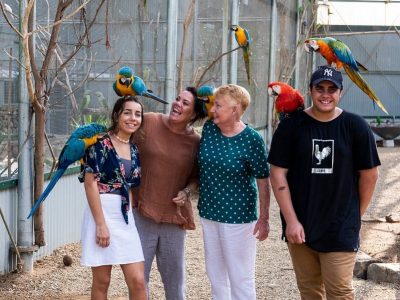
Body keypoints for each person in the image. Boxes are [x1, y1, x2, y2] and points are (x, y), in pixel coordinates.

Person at [268, 65, 381, 300]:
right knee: (310, 291)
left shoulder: (355, 126)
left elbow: (370, 175)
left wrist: (354, 216)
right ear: (310, 90)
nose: (325, 94)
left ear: (341, 92)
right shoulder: (291, 126)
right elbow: (277, 172)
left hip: (340, 227)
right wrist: (291, 221)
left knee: (339, 292)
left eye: (332, 89)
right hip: (300, 225)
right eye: (320, 88)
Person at [131, 87, 207, 300]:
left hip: (174, 218)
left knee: (175, 283)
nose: (177, 104)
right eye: (177, 99)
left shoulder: (196, 142)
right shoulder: (150, 121)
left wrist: (186, 191)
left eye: (185, 103)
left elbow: (195, 178)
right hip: (142, 213)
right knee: (138, 281)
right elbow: (124, 149)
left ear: (193, 114)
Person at [197, 84, 271, 300]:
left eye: (219, 105)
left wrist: (264, 218)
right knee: (216, 276)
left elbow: (263, 180)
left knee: (241, 277)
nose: (213, 110)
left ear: (235, 109)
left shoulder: (252, 139)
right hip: (209, 214)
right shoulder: (210, 129)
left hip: (238, 217)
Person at [79, 96, 146, 300]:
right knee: (102, 281)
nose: (133, 118)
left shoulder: (134, 150)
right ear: (117, 115)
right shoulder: (99, 144)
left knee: (138, 281)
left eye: (137, 114)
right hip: (102, 212)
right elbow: (90, 183)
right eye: (127, 112)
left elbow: (131, 185)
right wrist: (100, 224)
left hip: (124, 217)